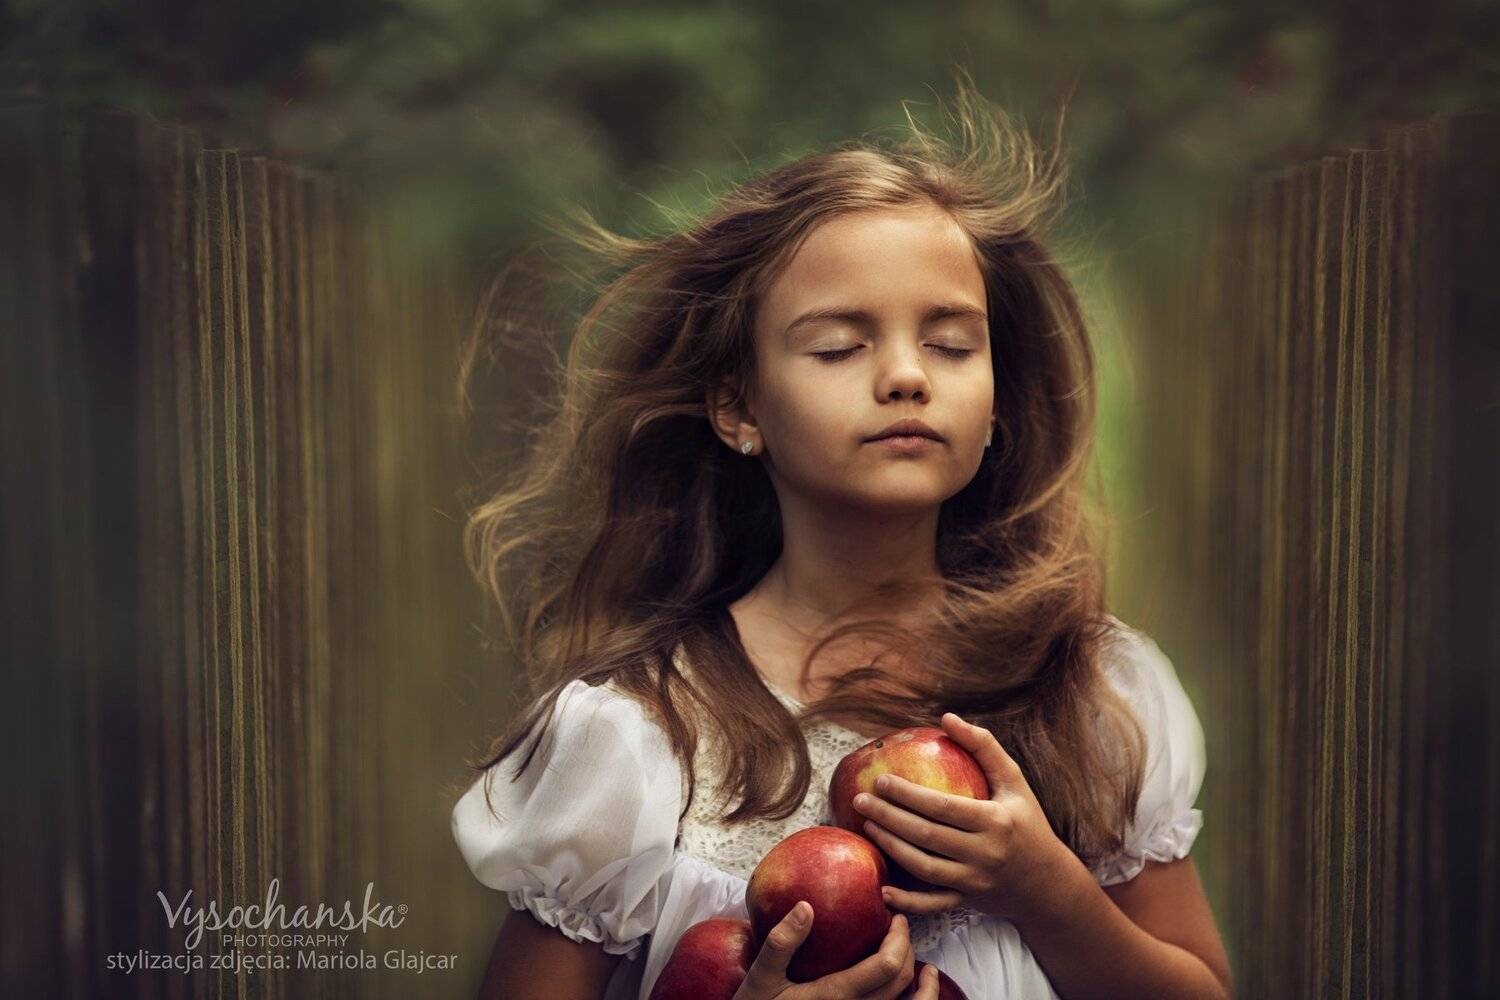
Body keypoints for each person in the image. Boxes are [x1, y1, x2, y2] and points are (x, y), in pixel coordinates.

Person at [448, 72, 1233, 1000]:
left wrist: (1047, 891)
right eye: (837, 346)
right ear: (739, 408)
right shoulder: (643, 736)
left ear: (995, 408)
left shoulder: (1092, 695)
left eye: (951, 344)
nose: (906, 375)